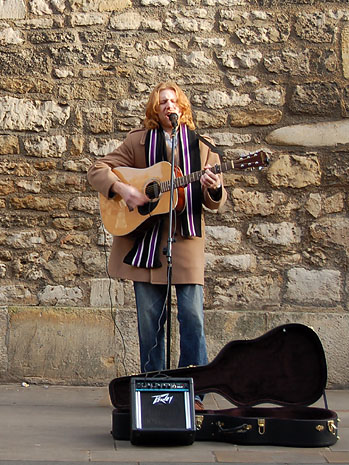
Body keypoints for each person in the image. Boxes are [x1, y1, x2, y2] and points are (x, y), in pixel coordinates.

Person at [87, 82, 227, 410]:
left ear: (182, 107)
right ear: (155, 108)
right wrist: (123, 189)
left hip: (186, 240)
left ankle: (194, 392)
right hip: (147, 245)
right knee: (151, 320)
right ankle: (154, 386)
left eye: (173, 101)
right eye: (162, 101)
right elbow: (97, 170)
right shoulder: (138, 142)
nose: (168, 106)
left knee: (192, 317)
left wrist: (216, 185)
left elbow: (215, 201)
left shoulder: (203, 147)